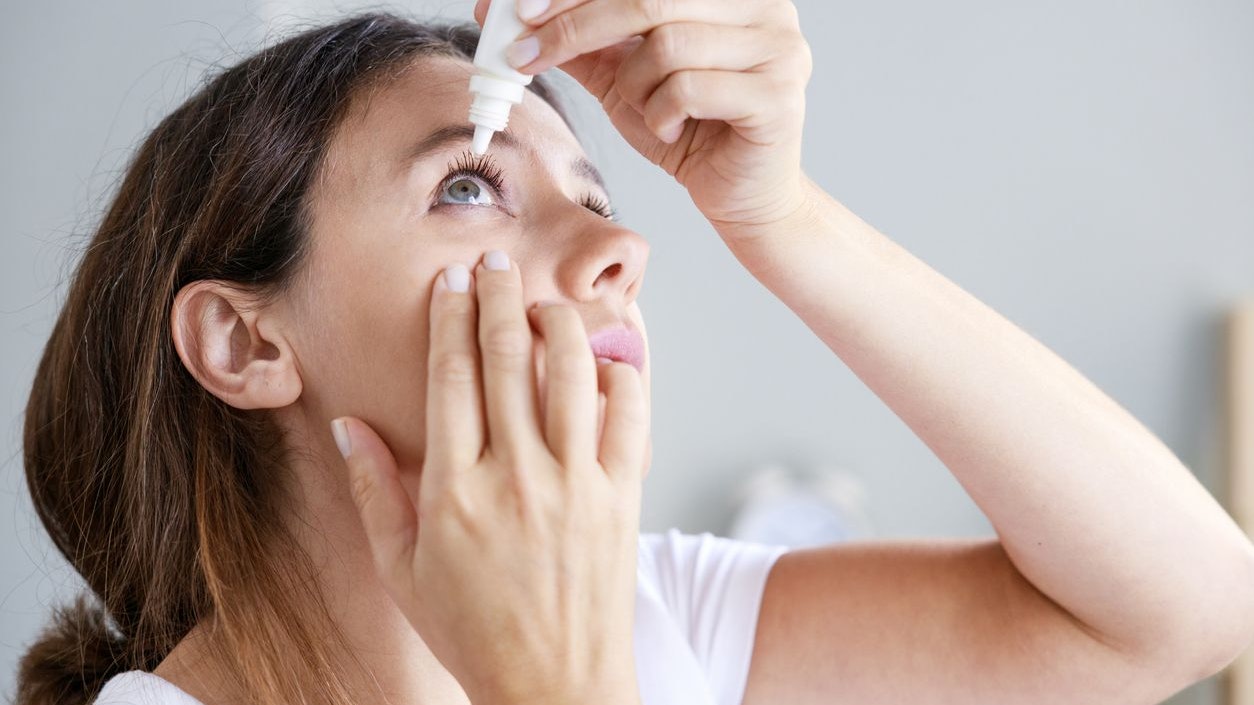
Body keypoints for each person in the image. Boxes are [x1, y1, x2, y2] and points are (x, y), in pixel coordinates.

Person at [17, 2, 1254, 705]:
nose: (621, 250)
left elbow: (1179, 613)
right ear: (243, 339)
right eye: (465, 184)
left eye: (599, 194)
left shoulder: (656, 620)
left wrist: (782, 220)